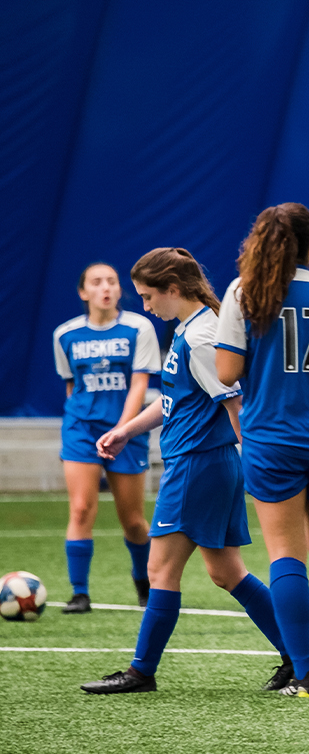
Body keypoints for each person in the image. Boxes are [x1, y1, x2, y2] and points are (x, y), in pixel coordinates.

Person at [79, 248, 291, 694]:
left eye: (149, 296)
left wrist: (254, 461)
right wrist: (126, 430)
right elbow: (176, 400)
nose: (145, 305)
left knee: (160, 570)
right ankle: (300, 656)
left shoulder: (201, 337)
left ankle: (141, 672)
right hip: (205, 463)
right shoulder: (191, 330)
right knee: (226, 572)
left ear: (174, 290)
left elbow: (235, 404)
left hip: (198, 464)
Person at [214, 203, 309, 698]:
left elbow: (227, 374)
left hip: (272, 438)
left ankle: (304, 671)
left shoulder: (242, 293)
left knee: (285, 556)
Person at [53, 262, 160, 613]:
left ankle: (143, 582)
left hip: (125, 430)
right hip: (81, 428)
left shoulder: (138, 327)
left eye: (112, 281)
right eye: (97, 282)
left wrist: (123, 429)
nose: (106, 288)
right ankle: (79, 593)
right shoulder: (65, 335)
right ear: (84, 293)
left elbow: (139, 385)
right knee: (82, 507)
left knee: (132, 520)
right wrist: (79, 420)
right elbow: (72, 386)